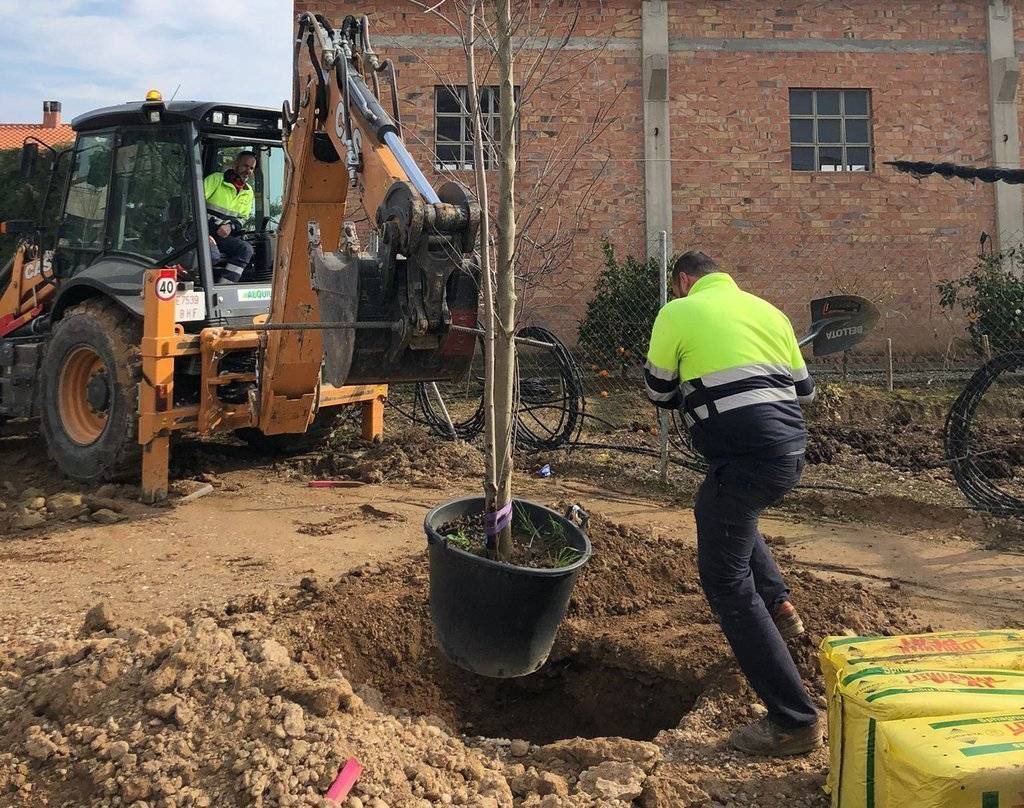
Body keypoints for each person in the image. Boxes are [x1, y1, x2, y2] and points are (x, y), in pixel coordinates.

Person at [644, 250, 821, 757]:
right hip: (789, 453)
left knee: (724, 581)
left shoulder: (677, 312)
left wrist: (696, 389)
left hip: (745, 460)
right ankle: (779, 605)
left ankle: (793, 721)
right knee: (723, 511)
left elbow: (658, 390)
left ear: (683, 280)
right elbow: (804, 392)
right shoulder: (771, 312)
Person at [203, 151, 256, 283]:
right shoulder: (216, 180)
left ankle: (225, 285)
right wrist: (206, 232)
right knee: (213, 255)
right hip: (202, 232)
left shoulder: (248, 192)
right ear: (235, 164)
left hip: (223, 236)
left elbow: (243, 218)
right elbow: (194, 204)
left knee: (246, 249)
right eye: (245, 166)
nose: (248, 171)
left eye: (251, 168)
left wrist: (230, 226)